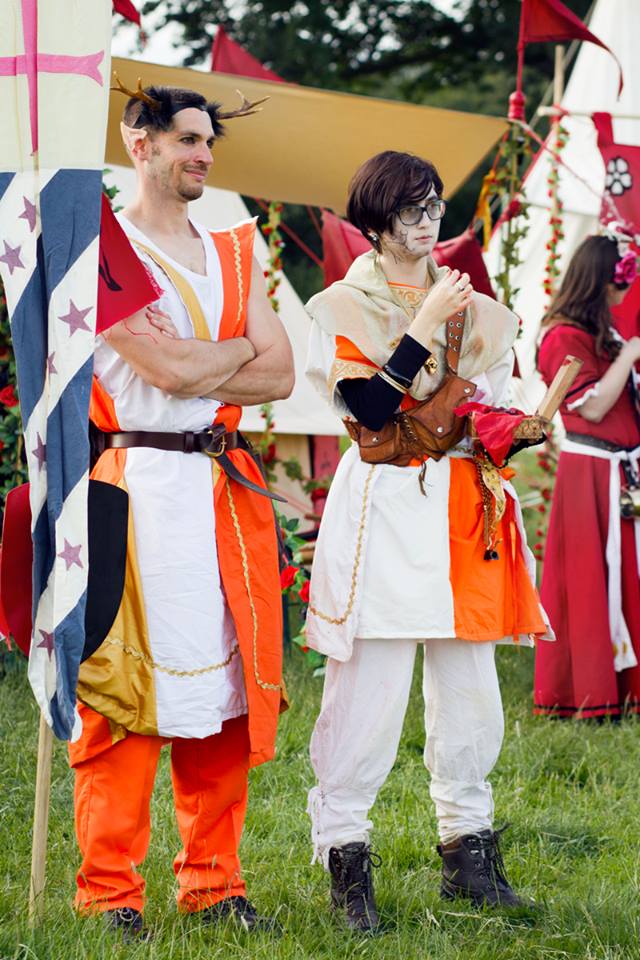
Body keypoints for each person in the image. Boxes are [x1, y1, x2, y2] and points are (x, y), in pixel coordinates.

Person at [304, 150, 551, 932]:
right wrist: (421, 323)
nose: (426, 221)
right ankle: (346, 862)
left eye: (435, 206)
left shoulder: (481, 312)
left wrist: (516, 429)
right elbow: (371, 411)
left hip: (464, 511)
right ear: (376, 219)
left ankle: (469, 857)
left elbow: (487, 411)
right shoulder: (342, 306)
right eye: (411, 208)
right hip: (385, 503)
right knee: (369, 694)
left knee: (472, 693)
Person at [69, 83, 294, 938]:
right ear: (142, 143)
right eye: (188, 140)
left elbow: (282, 373)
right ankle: (109, 895)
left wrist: (208, 357)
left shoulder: (233, 249)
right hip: (137, 488)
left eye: (209, 142)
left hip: (220, 491)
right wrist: (235, 350)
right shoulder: (98, 247)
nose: (204, 155)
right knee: (123, 694)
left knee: (225, 697)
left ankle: (214, 884)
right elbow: (163, 374)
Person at [534, 231, 640, 720]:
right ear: (600, 281)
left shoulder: (603, 331)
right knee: (589, 579)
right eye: (622, 281)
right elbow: (593, 408)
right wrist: (629, 355)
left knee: (627, 576)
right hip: (590, 475)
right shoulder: (562, 336)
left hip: (620, 471)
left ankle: (627, 687)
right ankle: (589, 691)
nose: (626, 291)